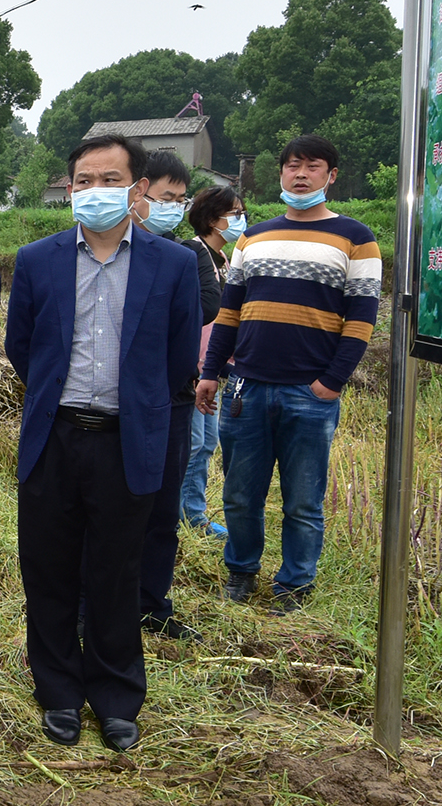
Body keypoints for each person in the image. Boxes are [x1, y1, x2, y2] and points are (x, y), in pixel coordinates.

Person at [1, 134, 200, 751]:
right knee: (50, 569)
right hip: (55, 437)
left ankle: (116, 696)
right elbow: (21, 348)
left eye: (109, 180)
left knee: (116, 571)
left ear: (137, 189)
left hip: (127, 439)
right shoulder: (39, 260)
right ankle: (58, 691)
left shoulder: (174, 265)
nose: (94, 192)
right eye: (83, 181)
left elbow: (176, 362)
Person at [199, 135, 379, 613]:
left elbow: (361, 320)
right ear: (280, 174)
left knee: (303, 502)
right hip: (245, 388)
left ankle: (295, 585)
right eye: (292, 166)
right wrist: (211, 371)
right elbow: (229, 313)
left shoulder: (356, 238)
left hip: (309, 393)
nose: (300, 174)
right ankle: (241, 572)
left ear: (330, 176)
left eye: (312, 166)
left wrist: (331, 382)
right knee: (239, 495)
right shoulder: (253, 237)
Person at [129, 152, 205, 642]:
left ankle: (152, 605)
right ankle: (91, 607)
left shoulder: (186, 256)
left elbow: (200, 316)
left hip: (171, 402)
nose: (174, 208)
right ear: (138, 194)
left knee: (161, 511)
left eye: (181, 200)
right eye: (165, 198)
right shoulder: (109, 248)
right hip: (114, 403)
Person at [176, 186, 243, 539]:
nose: (239, 219)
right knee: (194, 442)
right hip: (195, 365)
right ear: (212, 218)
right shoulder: (192, 253)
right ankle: (184, 515)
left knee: (206, 442)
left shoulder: (223, 260)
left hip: (214, 366)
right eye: (234, 213)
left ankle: (193, 512)